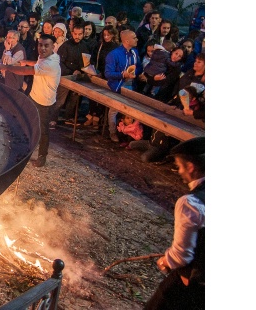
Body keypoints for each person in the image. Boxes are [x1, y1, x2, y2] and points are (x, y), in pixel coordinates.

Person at [144, 137, 205, 310]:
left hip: (194, 284)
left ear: (191, 167)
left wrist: (166, 261)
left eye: (179, 166)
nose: (178, 171)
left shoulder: (190, 204)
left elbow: (182, 255)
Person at [0, 34, 61, 167]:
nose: (42, 48)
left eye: (46, 46)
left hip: (45, 102)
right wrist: (27, 61)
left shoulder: (51, 63)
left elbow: (26, 71)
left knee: (42, 131)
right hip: (34, 96)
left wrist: (7, 67)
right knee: (24, 120)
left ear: (53, 47)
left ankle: (42, 156)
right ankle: (22, 148)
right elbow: (36, 64)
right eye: (40, 45)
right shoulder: (48, 57)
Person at [105, 30, 140, 142]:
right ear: (127, 40)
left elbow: (138, 67)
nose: (137, 39)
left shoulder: (134, 52)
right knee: (114, 111)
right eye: (134, 38)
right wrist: (122, 74)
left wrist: (138, 73)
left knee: (130, 111)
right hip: (117, 86)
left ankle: (128, 134)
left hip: (131, 86)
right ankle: (113, 132)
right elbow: (108, 73)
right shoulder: (114, 54)